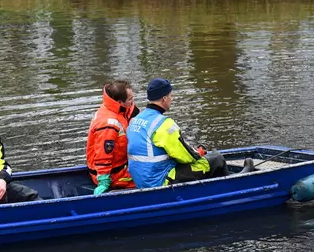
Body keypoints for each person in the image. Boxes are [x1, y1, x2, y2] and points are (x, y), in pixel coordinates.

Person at [126, 78, 254, 189]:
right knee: (216, 159)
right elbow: (185, 156)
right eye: (171, 95)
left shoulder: (136, 120)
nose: (172, 98)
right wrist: (198, 154)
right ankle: (234, 184)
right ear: (164, 98)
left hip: (141, 180)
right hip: (159, 181)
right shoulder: (163, 124)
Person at [86, 80, 139, 195]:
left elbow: (131, 112)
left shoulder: (113, 109)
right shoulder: (108, 124)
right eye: (130, 99)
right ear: (120, 102)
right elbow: (102, 155)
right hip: (114, 174)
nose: (132, 102)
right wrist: (104, 180)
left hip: (121, 164)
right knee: (149, 178)